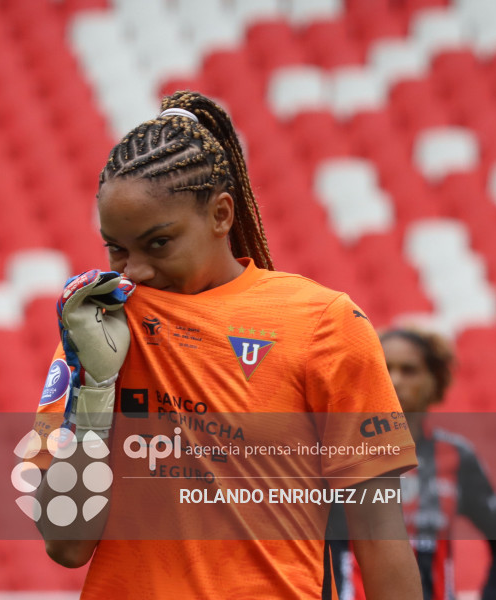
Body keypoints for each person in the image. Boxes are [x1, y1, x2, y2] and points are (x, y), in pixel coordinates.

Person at [28, 90, 423, 599]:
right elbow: (65, 545)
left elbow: (379, 533)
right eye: (117, 249)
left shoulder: (324, 323)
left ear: (220, 215)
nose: (137, 270)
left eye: (159, 243)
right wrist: (95, 386)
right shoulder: (98, 324)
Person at [332, 327, 496, 600]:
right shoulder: (339, 453)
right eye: (384, 369)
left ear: (435, 380)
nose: (395, 380)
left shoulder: (457, 456)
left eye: (409, 370)